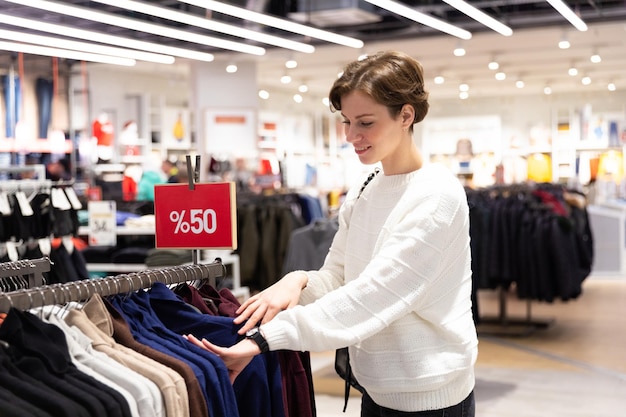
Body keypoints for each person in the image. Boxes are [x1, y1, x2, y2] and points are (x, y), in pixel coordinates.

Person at [186, 51, 478, 416]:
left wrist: (266, 339)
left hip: (430, 395)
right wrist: (300, 280)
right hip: (377, 387)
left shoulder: (436, 195)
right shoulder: (367, 185)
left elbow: (374, 295)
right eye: (347, 121)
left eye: (366, 122)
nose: (352, 136)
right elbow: (340, 275)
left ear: (406, 114)